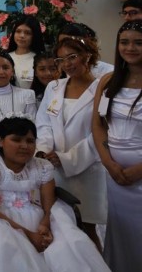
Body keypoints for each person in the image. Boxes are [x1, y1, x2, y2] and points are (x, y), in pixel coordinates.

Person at [0, 117, 110, 272]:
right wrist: (29, 236)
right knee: (9, 250)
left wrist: (44, 226)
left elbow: (48, 206)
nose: (24, 146)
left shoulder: (42, 167)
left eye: (30, 141)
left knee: (69, 246)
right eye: (16, 140)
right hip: (1, 220)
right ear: (1, 141)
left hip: (39, 217)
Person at [35, 37, 106, 250]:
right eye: (61, 59)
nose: (66, 64)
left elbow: (101, 133)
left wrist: (66, 158)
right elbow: (44, 123)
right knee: (57, 226)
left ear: (87, 56)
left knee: (86, 228)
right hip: (54, 169)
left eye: (72, 57)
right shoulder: (54, 87)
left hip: (88, 170)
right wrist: (43, 150)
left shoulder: (102, 89)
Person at [92, 21, 142, 272]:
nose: (130, 48)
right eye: (124, 42)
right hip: (114, 176)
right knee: (120, 233)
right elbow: (98, 125)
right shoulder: (108, 81)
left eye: (138, 43)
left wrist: (137, 170)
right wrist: (108, 163)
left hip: (139, 174)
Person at [7, 16, 46, 89]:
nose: (22, 36)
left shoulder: (40, 59)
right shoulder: (5, 58)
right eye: (18, 31)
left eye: (27, 33)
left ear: (34, 35)